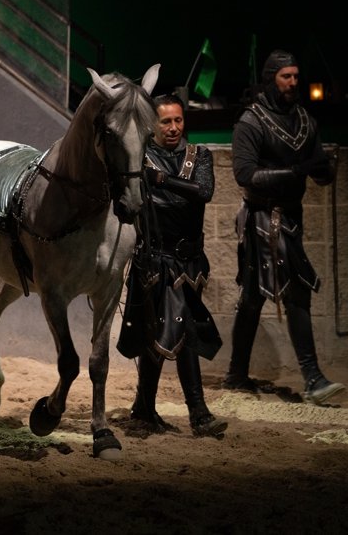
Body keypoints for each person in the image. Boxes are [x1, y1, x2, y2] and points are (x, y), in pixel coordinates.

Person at [223, 49, 347, 405]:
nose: (293, 83)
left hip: (291, 218)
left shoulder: (305, 121)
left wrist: (324, 170)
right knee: (287, 292)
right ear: (271, 79)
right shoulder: (252, 121)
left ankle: (236, 373)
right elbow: (244, 174)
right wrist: (296, 171)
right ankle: (312, 378)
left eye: (295, 76)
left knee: (255, 296)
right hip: (261, 219)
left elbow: (319, 168)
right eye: (286, 77)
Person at [117, 92, 228, 437]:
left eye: (178, 120)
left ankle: (143, 408)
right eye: (166, 121)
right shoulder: (141, 159)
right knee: (182, 332)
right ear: (152, 124)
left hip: (191, 262)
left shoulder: (200, 156)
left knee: (160, 333)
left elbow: (203, 191)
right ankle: (199, 414)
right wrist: (173, 192)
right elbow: (135, 205)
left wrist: (163, 183)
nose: (174, 127)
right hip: (156, 260)